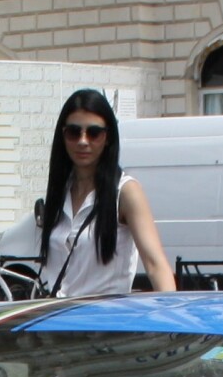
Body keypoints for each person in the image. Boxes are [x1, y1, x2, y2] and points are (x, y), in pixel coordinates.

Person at [32, 89, 176, 296]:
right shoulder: (59, 192)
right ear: (62, 136)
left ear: (108, 137)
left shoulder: (126, 192)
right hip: (58, 320)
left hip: (105, 320)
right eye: (74, 132)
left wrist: (171, 317)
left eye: (94, 133)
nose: (83, 141)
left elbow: (155, 264)